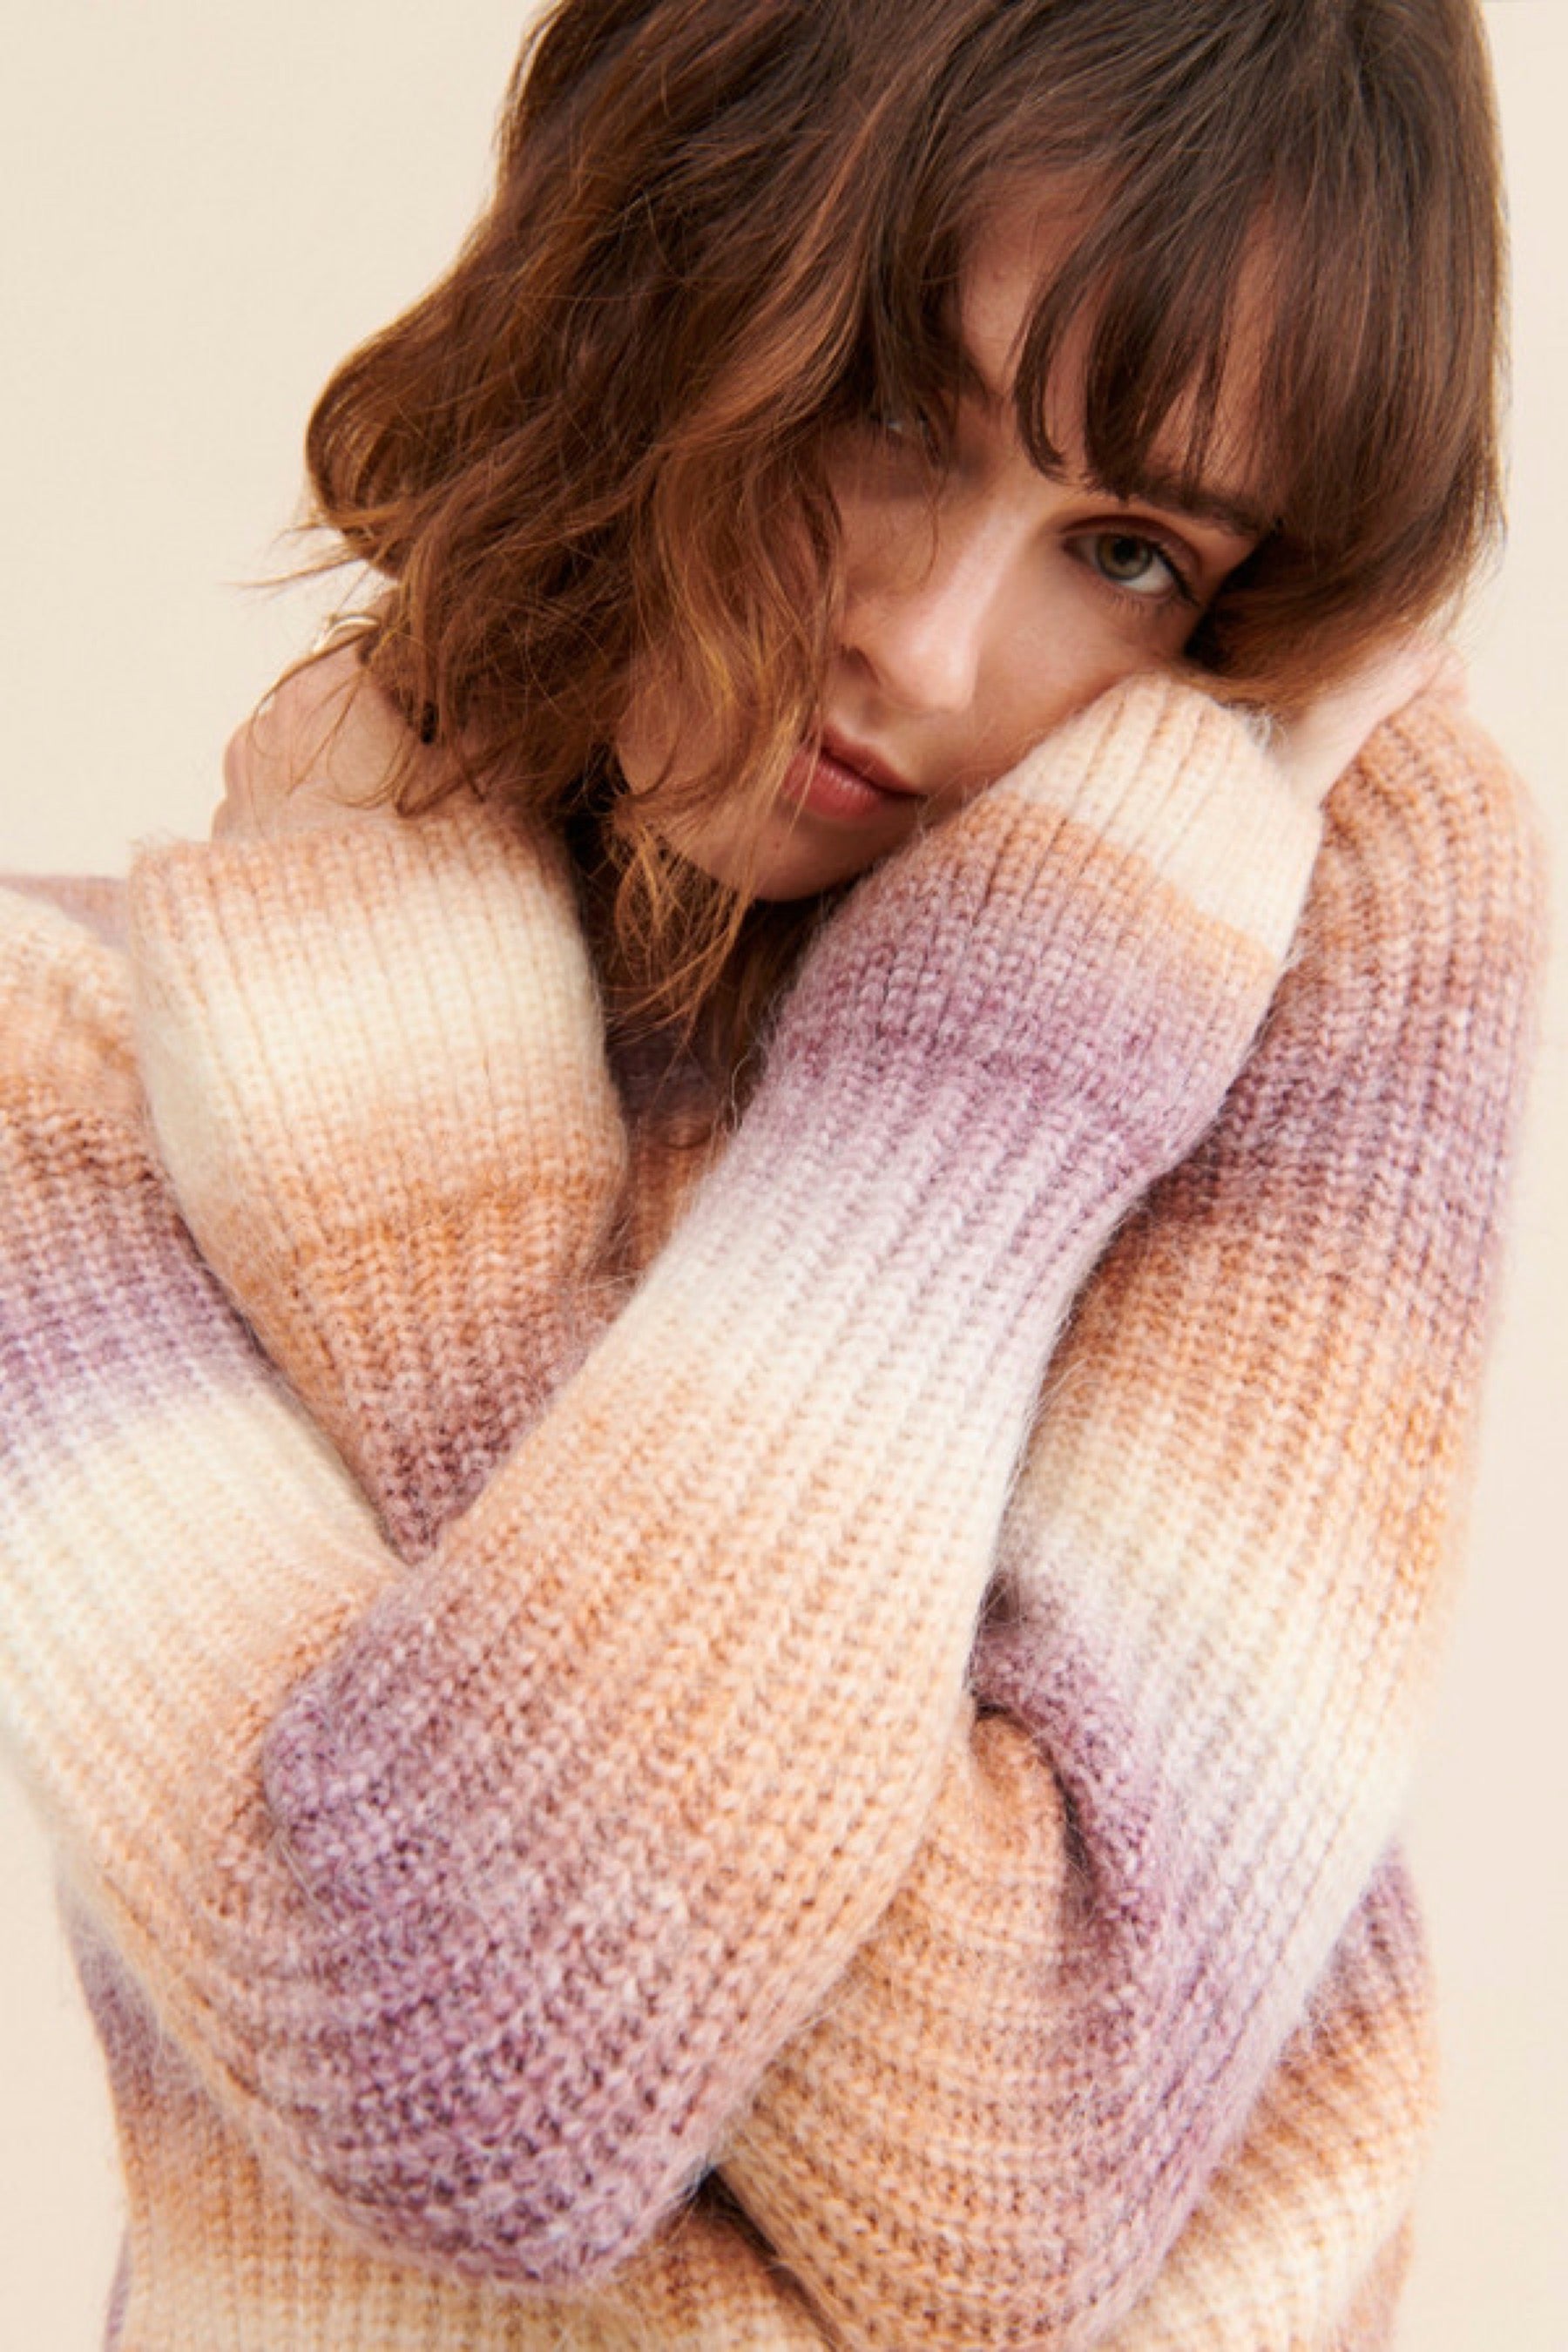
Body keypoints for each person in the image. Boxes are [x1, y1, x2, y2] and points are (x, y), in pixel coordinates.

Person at [0, 1, 1544, 2346]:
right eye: (896, 413)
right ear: (662, 241)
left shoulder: (1288, 907)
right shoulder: (62, 1071)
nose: (929, 645)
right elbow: (470, 2047)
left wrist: (992, 1049)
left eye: (1128, 552)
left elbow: (1016, 2162)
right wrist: (426, 1157)